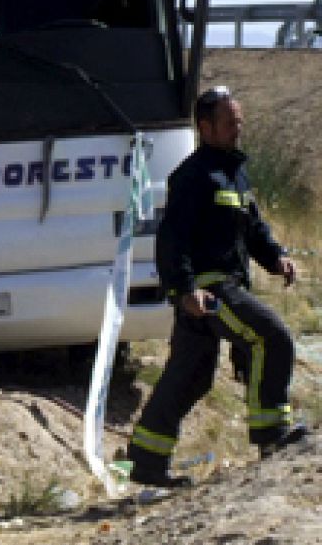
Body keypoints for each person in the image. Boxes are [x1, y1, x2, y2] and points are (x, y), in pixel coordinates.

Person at [126, 86, 309, 487]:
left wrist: (276, 258)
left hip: (223, 286)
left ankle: (146, 460)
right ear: (205, 127)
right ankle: (271, 435)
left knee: (191, 374)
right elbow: (172, 240)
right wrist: (184, 289)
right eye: (229, 123)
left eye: (239, 122)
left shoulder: (235, 173)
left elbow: (254, 228)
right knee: (271, 337)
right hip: (209, 290)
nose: (237, 130)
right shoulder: (192, 177)